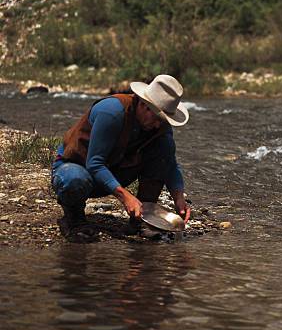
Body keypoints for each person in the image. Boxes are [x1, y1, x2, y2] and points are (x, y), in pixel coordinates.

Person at [51, 74, 191, 240]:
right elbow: (95, 163)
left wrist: (179, 197)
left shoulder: (159, 127)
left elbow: (170, 164)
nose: (158, 125)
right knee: (74, 180)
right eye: (157, 119)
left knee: (164, 147)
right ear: (144, 105)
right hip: (77, 168)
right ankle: (74, 220)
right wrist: (126, 197)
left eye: (163, 121)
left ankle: (140, 219)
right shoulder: (112, 112)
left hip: (114, 171)